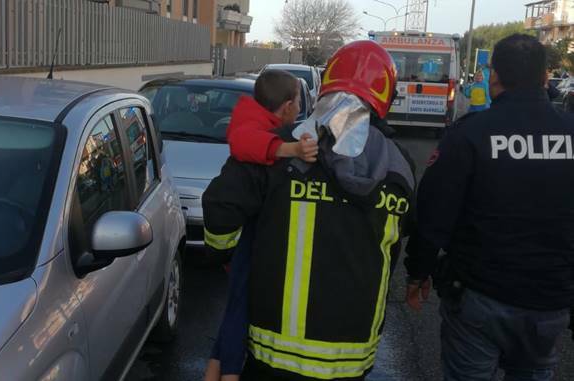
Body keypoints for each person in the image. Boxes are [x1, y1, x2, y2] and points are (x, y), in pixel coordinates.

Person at [203, 40, 415, 380]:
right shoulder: (398, 165)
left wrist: (224, 251)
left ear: (326, 84)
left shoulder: (279, 147)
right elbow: (399, 239)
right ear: (384, 96)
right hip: (351, 356)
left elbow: (219, 207)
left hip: (273, 352)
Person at [405, 34, 574, 381]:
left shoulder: (470, 134)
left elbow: (435, 212)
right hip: (551, 300)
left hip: (480, 296)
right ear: (545, 78)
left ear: (493, 75)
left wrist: (417, 271)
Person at [204, 70, 318, 381]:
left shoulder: (259, 117)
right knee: (240, 311)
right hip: (248, 243)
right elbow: (242, 141)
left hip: (251, 238)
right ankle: (228, 374)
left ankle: (213, 372)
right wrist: (292, 149)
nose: (299, 112)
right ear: (286, 106)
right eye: (297, 103)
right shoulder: (251, 123)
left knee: (234, 310)